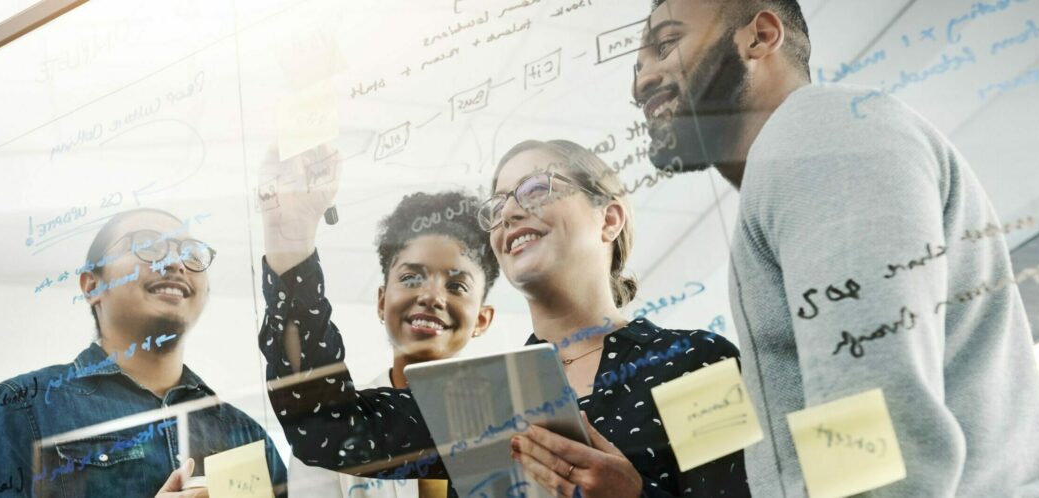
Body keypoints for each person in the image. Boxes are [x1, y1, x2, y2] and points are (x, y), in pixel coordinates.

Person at [633, 0, 1039, 496]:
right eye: (638, 65)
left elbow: (874, 431)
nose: (641, 80)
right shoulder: (806, 151)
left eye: (665, 45)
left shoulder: (816, 136)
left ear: (761, 36)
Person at [258, 142, 749, 497]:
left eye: (535, 189)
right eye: (498, 205)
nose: (510, 212)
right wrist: (292, 240)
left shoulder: (693, 364)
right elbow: (325, 427)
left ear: (609, 218)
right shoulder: (479, 398)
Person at [0, 208, 288, 498]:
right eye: (149, 246)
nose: (176, 263)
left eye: (191, 253)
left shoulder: (246, 436)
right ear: (93, 287)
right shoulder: (18, 409)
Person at [285, 189, 501, 498]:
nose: (430, 296)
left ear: (482, 319)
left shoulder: (510, 421)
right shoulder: (331, 428)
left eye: (456, 285)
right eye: (412, 278)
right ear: (382, 301)